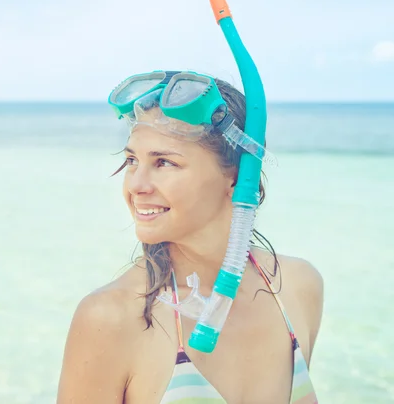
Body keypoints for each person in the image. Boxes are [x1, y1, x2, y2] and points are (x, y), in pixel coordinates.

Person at [56, 75, 324, 403]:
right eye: (132, 161)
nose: (137, 185)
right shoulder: (111, 318)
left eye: (164, 162)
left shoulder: (299, 287)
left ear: (238, 177)